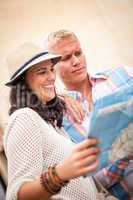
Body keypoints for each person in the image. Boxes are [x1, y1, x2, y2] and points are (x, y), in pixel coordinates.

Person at [4, 43, 100, 200]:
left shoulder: (51, 124)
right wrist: (60, 174)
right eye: (42, 72)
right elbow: (17, 195)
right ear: (23, 83)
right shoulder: (24, 118)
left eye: (51, 70)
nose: (52, 77)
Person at [46, 29, 133, 199]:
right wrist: (124, 154)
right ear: (52, 68)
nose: (76, 61)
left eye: (78, 53)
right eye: (65, 58)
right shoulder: (59, 119)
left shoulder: (122, 74)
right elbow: (88, 184)